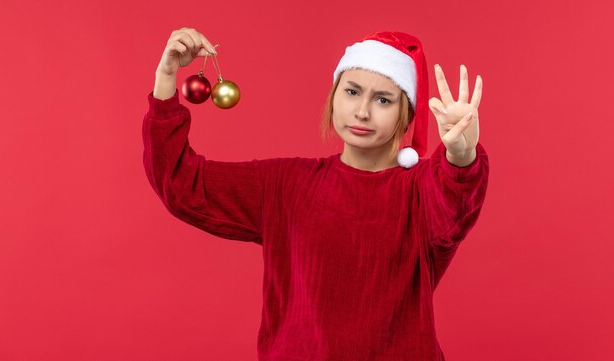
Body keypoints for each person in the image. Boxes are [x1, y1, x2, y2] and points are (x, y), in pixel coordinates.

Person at [142, 27, 490, 361]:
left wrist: (462, 154)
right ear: (334, 95)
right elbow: (181, 184)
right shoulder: (286, 184)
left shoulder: (421, 190)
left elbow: (454, 206)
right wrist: (165, 78)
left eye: (383, 99)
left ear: (407, 112)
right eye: (352, 92)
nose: (362, 111)